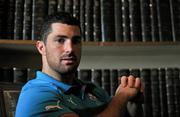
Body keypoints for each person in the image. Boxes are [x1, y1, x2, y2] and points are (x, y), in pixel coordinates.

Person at [15, 11, 144, 117]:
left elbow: (120, 113)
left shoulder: (93, 89)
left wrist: (133, 101)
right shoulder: (35, 94)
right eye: (60, 40)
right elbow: (116, 107)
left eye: (76, 41)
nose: (70, 49)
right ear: (41, 48)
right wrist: (120, 98)